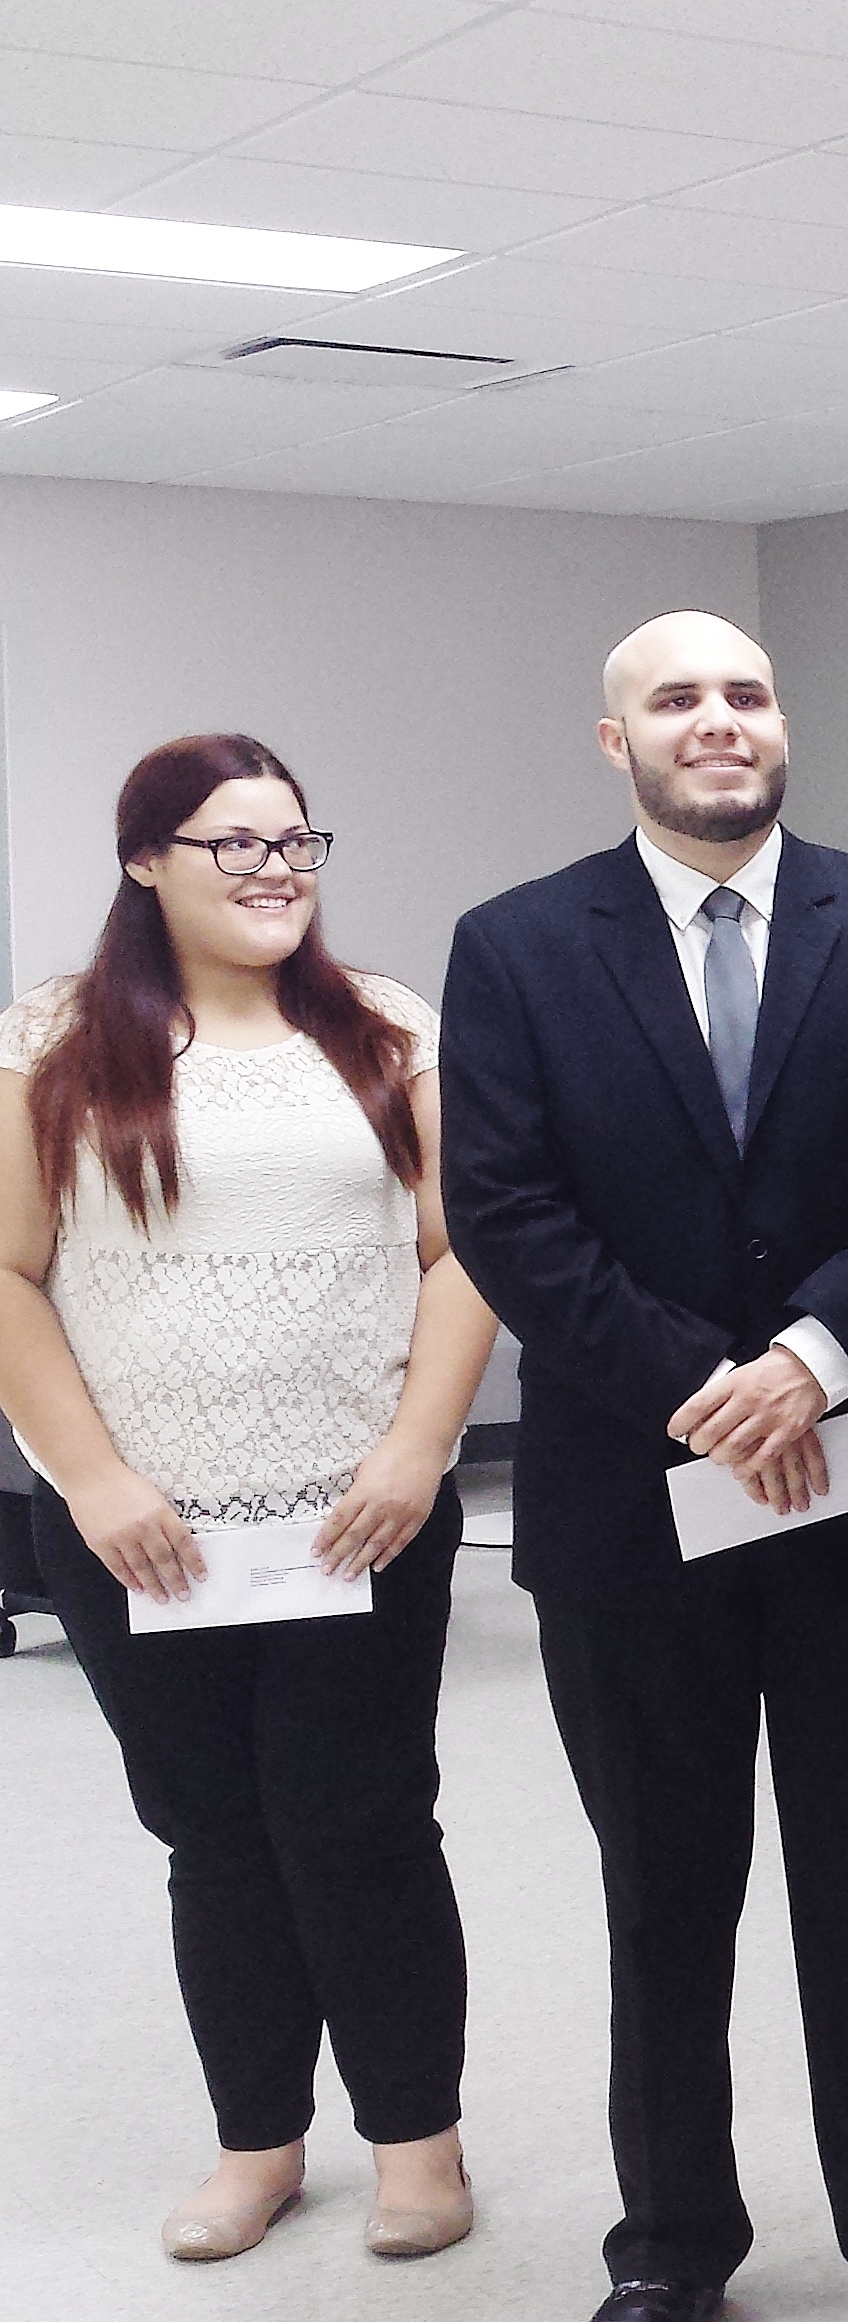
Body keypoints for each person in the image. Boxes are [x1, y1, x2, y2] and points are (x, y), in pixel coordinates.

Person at [442, 610, 848, 2322]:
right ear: (616, 740)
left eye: (745, 692)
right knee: (664, 1896)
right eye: (675, 698)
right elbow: (507, 1216)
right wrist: (711, 1386)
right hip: (633, 1508)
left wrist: (810, 1359)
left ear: (780, 721)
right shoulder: (517, 945)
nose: (717, 721)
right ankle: (674, 2246)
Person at [0, 735, 495, 2266]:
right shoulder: (54, 1040)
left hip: (357, 1522)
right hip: (146, 1536)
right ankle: (259, 2143)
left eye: (296, 839)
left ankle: (418, 2141)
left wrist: (418, 1450)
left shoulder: (386, 1026)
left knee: (363, 1824)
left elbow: (464, 1252)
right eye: (234, 842)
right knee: (213, 1837)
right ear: (146, 859)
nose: (276, 867)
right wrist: (91, 1478)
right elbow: (11, 1274)